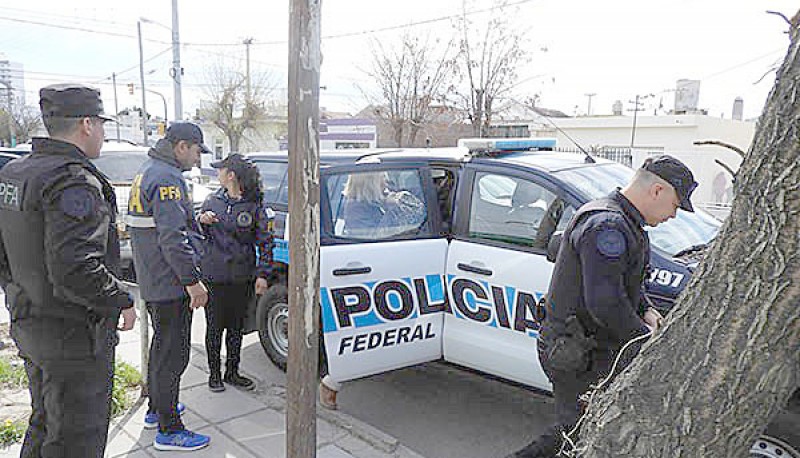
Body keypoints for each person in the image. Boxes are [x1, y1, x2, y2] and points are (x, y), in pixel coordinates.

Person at [507, 155, 697, 458]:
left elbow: (626, 284)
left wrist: (646, 309)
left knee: (585, 427)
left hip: (590, 347)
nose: (674, 216)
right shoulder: (607, 225)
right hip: (575, 351)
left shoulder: (625, 222)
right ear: (658, 191)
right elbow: (605, 303)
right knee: (578, 432)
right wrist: (645, 341)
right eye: (676, 205)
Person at [0, 83, 137, 457]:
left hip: (31, 322)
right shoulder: (73, 180)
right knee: (75, 439)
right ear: (88, 125)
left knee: (44, 422)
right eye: (103, 126)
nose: (104, 136)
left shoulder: (16, 172)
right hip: (73, 338)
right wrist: (120, 300)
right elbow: (76, 267)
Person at [127, 121, 211, 451]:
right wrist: (192, 282)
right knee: (173, 356)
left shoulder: (147, 170)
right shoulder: (167, 178)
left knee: (161, 349)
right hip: (171, 283)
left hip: (153, 278)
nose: (197, 159)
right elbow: (173, 239)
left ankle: (157, 408)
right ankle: (170, 429)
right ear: (181, 146)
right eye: (195, 151)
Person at [197, 154, 274, 392]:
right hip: (214, 277)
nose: (218, 173)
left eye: (221, 170)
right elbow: (199, 234)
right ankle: (214, 375)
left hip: (242, 277)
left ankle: (232, 372)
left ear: (231, 175)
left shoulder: (254, 206)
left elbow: (266, 242)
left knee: (236, 328)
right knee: (214, 327)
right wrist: (202, 219)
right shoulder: (212, 200)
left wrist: (263, 274)